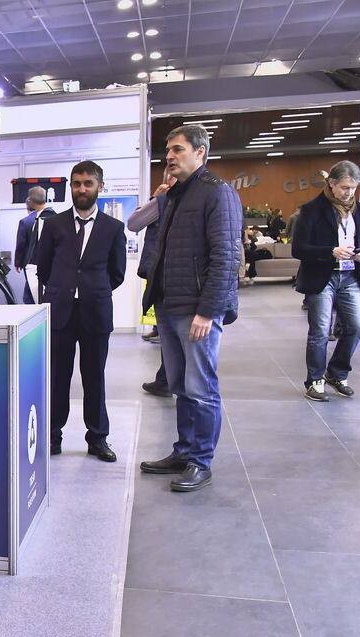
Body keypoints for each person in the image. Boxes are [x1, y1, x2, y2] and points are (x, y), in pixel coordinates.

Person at [139, 123, 241, 493]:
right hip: (169, 305)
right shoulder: (175, 194)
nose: (169, 156)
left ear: (200, 152)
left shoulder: (217, 192)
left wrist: (208, 311)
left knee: (201, 388)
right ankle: (183, 451)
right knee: (180, 386)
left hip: (197, 310)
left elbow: (226, 257)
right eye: (168, 150)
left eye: (178, 149)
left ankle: (201, 461)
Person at [35, 160, 127, 463]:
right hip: (60, 311)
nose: (82, 189)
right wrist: (63, 288)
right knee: (57, 377)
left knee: (94, 377)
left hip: (95, 312)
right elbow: (44, 268)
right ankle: (52, 435)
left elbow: (117, 273)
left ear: (100, 186)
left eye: (88, 183)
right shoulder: (54, 225)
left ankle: (97, 438)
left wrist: (92, 289)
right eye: (76, 184)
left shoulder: (113, 228)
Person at [293, 160, 360, 401]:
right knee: (320, 331)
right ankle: (315, 380)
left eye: (353, 188)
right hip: (321, 277)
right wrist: (331, 251)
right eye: (345, 187)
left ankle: (336, 373)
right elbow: (298, 248)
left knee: (357, 327)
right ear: (331, 184)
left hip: (349, 276)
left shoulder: (359, 210)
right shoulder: (311, 210)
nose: (349, 193)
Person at [127, 174, 175, 397]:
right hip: (173, 277)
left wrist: (155, 199)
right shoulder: (166, 201)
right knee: (170, 334)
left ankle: (170, 381)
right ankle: (167, 379)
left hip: (167, 276)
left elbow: (134, 222)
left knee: (171, 334)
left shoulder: (163, 201)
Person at [14, 186, 56, 303]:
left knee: (31, 297)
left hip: (33, 266)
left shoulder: (28, 221)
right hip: (52, 266)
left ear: (31, 201)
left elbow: (21, 244)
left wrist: (18, 262)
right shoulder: (57, 217)